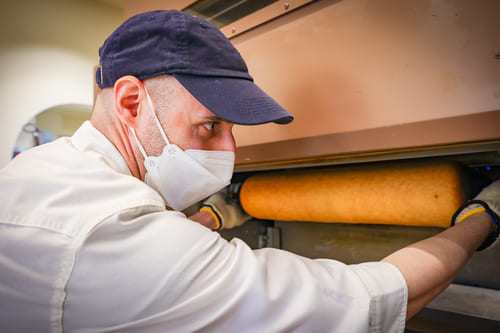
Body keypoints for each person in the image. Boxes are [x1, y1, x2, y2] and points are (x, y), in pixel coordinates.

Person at [0, 9, 498, 333]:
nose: (230, 150)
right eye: (210, 125)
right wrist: (483, 216)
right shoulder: (114, 232)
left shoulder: (38, 175)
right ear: (132, 102)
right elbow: (373, 298)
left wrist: (216, 216)